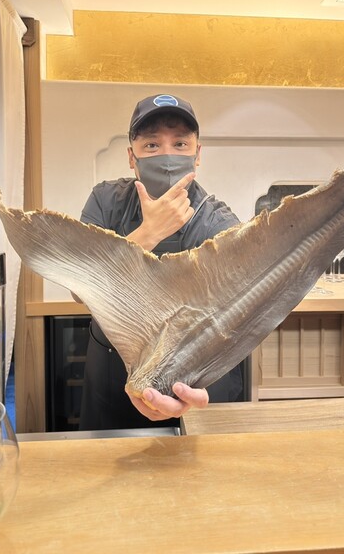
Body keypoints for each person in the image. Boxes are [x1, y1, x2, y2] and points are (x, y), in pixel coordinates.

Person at [78, 93, 244, 431]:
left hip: (196, 379)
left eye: (180, 144)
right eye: (152, 145)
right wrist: (148, 233)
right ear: (132, 156)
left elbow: (233, 315)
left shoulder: (220, 223)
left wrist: (193, 384)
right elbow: (79, 289)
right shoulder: (105, 201)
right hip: (111, 372)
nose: (167, 156)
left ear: (197, 155)